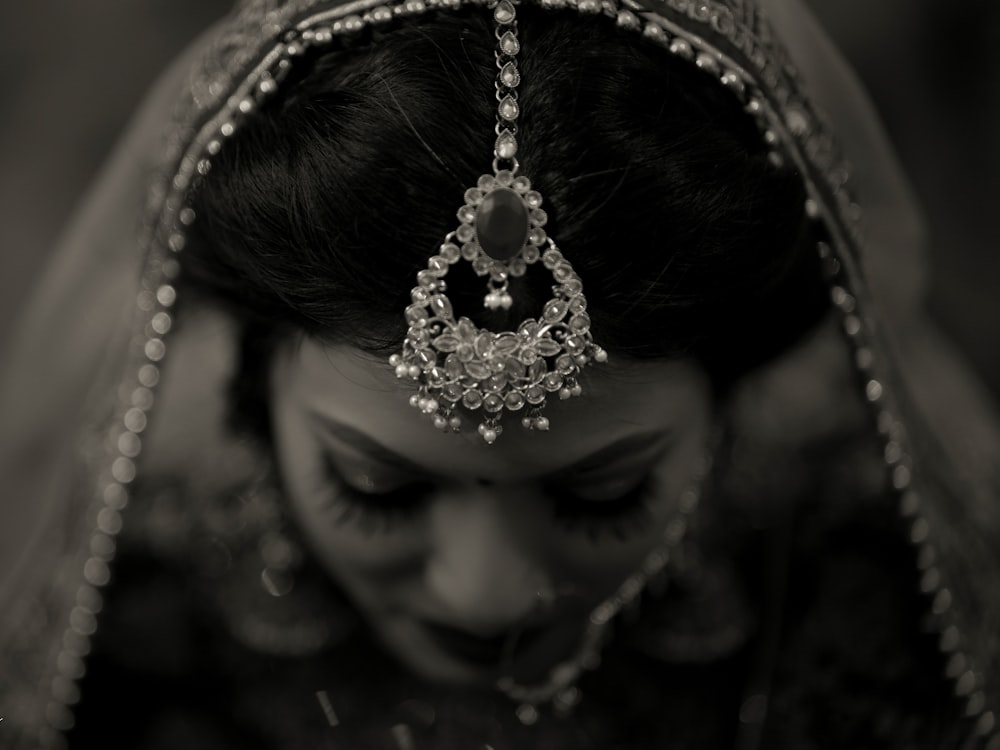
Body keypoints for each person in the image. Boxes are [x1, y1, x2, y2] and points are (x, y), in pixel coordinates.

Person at [1, 0, 998, 747]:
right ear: (250, 395)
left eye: (606, 495)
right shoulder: (123, 653)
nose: (486, 595)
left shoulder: (871, 644)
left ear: (730, 407)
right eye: (376, 488)